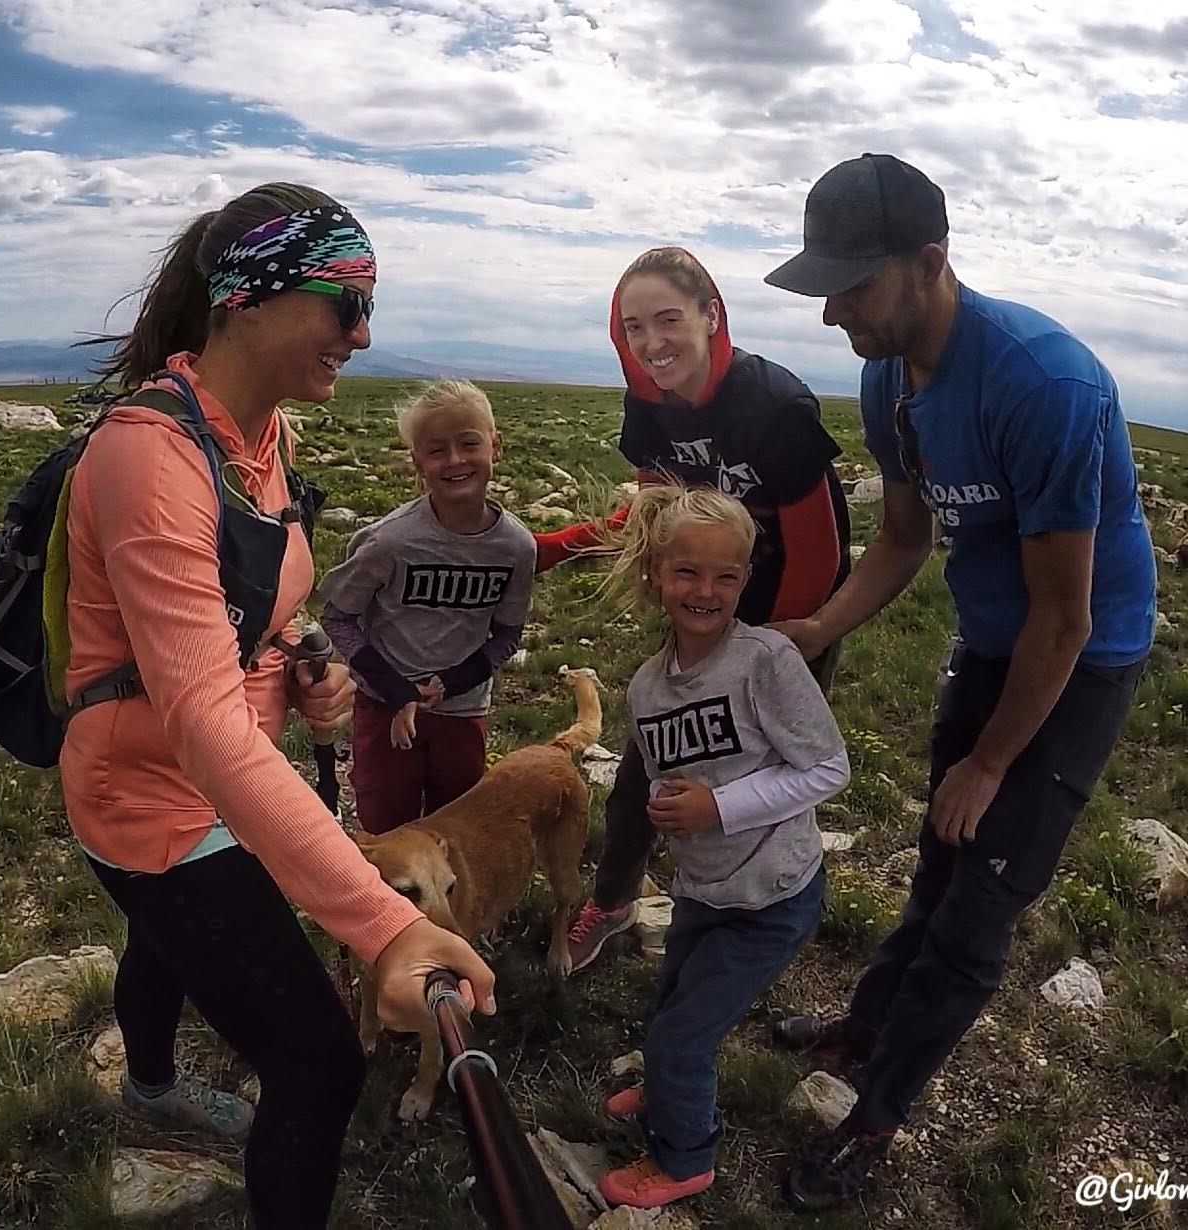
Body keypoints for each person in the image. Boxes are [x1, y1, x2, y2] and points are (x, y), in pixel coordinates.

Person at [63, 183, 495, 1229]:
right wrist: (385, 927)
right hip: (154, 803)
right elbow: (202, 720)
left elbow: (250, 606)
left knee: (162, 941)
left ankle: (153, 1086)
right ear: (247, 298)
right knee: (316, 1061)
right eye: (342, 299)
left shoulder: (261, 444)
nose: (361, 330)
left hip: (214, 782)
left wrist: (304, 658)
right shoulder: (147, 457)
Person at [760, 153, 1156, 1209]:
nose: (834, 310)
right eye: (825, 286)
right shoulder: (889, 374)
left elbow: (1066, 618)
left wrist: (992, 761)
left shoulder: (1044, 383)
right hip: (994, 641)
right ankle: (870, 1020)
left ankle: (878, 1115)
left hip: (1079, 659)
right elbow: (901, 536)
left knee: (978, 913)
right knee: (939, 852)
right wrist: (820, 626)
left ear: (930, 261)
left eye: (854, 284)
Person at [536, 246, 852, 974]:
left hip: (790, 624)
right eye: (633, 327)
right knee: (650, 769)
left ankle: (757, 924)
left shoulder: (774, 407)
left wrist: (758, 654)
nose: (652, 343)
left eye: (668, 319)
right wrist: (552, 546)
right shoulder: (648, 412)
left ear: (711, 316)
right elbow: (655, 519)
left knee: (762, 775)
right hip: (702, 608)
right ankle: (613, 905)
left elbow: (819, 556)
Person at [587, 485, 848, 1210]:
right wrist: (668, 806)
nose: (705, 591)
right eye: (687, 573)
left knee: (681, 1034)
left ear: (744, 580)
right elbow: (672, 774)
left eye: (725, 577)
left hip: (772, 894)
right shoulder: (646, 687)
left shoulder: (764, 660)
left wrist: (718, 806)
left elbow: (828, 768)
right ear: (654, 577)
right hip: (704, 886)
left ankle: (683, 1157)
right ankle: (671, 1085)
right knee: (669, 1003)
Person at [316, 379, 534, 834]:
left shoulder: (516, 547)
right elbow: (338, 616)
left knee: (455, 830)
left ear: (496, 447)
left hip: (462, 710)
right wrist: (398, 692)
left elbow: (508, 633)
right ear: (418, 463)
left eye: (468, 444)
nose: (454, 460)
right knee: (385, 826)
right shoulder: (390, 541)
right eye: (436, 451)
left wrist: (450, 684)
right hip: (384, 709)